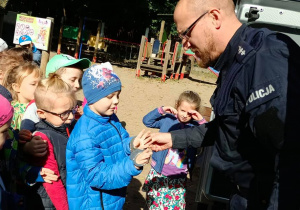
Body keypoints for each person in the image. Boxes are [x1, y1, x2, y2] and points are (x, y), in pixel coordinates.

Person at [149, 0, 300, 209]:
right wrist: (173, 138)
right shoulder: (233, 63)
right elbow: (226, 126)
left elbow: (292, 161)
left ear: (214, 17)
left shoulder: (264, 61)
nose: (185, 44)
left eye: (187, 33)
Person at [66, 62, 152, 210]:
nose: (116, 101)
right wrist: (132, 164)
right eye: (110, 96)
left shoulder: (110, 118)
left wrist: (132, 144)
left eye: (118, 95)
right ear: (93, 97)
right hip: (94, 204)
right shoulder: (85, 135)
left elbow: (118, 142)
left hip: (109, 199)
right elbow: (97, 176)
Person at [142, 90, 206, 209]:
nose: (185, 115)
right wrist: (161, 110)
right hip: (159, 172)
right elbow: (147, 121)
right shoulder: (168, 119)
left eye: (190, 113)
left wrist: (201, 120)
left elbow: (206, 136)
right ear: (177, 106)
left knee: (176, 206)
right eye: (182, 110)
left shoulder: (195, 127)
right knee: (155, 205)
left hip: (179, 176)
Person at [26, 74, 77, 210]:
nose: (71, 116)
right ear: (41, 113)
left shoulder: (66, 126)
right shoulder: (42, 139)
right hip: (50, 203)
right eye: (64, 113)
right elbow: (52, 182)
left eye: (73, 109)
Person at [2, 62, 41, 130]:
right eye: (33, 84)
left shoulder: (41, 106)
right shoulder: (10, 109)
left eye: (40, 84)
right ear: (16, 87)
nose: (39, 87)